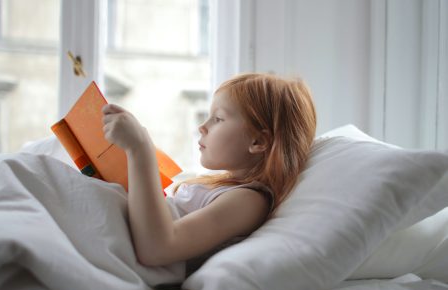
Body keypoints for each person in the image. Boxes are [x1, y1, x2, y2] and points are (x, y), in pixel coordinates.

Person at [102, 72, 317, 276]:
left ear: (258, 141)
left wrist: (140, 149)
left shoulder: (248, 200)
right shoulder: (221, 188)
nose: (202, 127)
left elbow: (157, 248)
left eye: (218, 119)